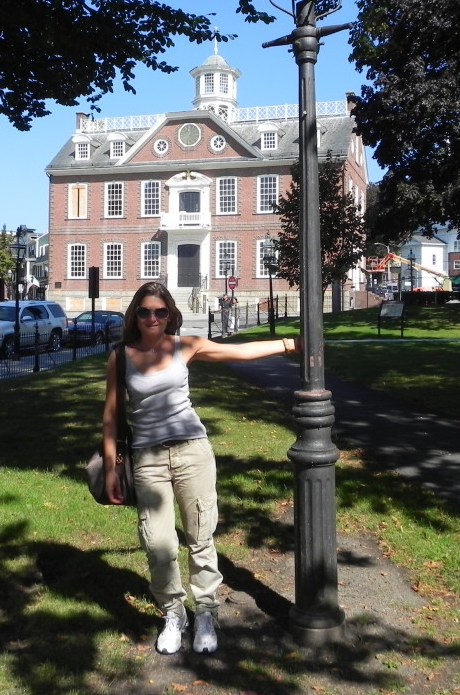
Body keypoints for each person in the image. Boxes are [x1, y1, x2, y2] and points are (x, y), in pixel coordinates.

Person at [101, 281, 298, 656]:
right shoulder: (121, 356)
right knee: (158, 544)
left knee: (200, 537)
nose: (153, 318)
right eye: (145, 311)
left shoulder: (184, 345)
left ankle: (206, 611)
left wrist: (290, 344)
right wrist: (112, 469)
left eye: (160, 311)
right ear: (135, 315)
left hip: (192, 452)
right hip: (148, 459)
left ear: (170, 313)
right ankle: (174, 614)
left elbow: (238, 353)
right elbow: (111, 418)